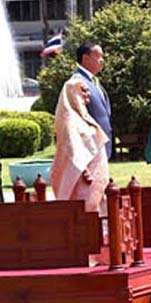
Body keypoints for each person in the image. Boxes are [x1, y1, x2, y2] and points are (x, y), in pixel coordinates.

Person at [49, 78, 110, 214]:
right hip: (83, 180)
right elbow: (71, 148)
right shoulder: (68, 119)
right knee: (86, 216)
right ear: (72, 92)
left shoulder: (83, 116)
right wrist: (85, 171)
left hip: (96, 178)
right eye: (83, 90)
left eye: (87, 90)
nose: (87, 93)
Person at [74, 42, 112, 158]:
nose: (102, 61)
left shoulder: (94, 81)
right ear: (85, 59)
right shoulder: (77, 83)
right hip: (90, 147)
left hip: (101, 145)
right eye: (98, 56)